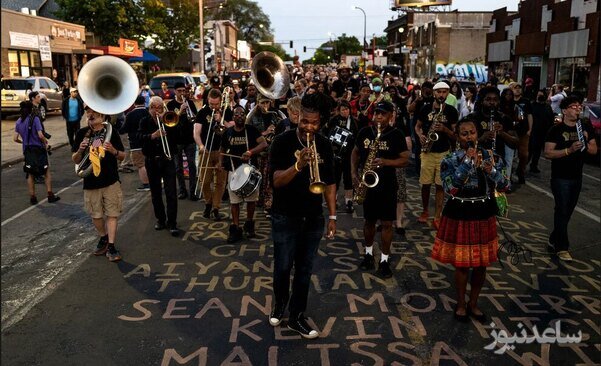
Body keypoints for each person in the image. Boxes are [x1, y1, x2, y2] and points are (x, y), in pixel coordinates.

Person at [268, 92, 336, 339]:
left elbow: (329, 183)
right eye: (304, 121)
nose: (309, 126)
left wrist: (333, 216)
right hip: (285, 216)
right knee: (283, 266)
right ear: (297, 118)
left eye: (314, 123)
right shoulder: (282, 142)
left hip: (312, 218)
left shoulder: (325, 145)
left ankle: (297, 316)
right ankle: (279, 303)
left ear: (321, 122)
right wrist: (298, 166)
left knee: (305, 270)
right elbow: (276, 181)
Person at [431, 117, 509, 322]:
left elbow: (505, 185)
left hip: (483, 212)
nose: (468, 137)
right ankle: (461, 303)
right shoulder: (449, 160)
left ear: (477, 134)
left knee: (482, 264)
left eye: (472, 132)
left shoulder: (491, 156)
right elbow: (451, 188)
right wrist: (467, 163)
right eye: (464, 134)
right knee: (462, 263)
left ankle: (474, 303)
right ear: (458, 137)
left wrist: (489, 170)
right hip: (460, 213)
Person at [351, 101, 410, 278]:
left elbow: (405, 159)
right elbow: (355, 152)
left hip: (388, 185)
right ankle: (368, 254)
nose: (378, 116)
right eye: (376, 113)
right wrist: (354, 173)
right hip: (368, 185)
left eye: (383, 114)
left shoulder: (396, 134)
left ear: (391, 115)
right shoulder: (364, 132)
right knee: (368, 221)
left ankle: (384, 259)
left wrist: (386, 162)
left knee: (386, 224)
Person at [544, 96, 598, 262]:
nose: (577, 109)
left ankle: (554, 238)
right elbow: (548, 153)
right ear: (565, 110)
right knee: (561, 209)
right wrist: (568, 150)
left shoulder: (585, 126)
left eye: (579, 106)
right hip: (560, 176)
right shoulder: (556, 129)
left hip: (577, 176)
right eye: (573, 106)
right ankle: (562, 247)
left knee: (567, 211)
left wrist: (587, 139)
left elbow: (594, 151)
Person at [72, 106, 125, 262]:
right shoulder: (82, 134)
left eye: (94, 112)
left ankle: (111, 245)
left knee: (112, 213)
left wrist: (113, 150)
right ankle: (103, 237)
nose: (91, 114)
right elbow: (75, 160)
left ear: (102, 115)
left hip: (110, 180)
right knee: (96, 215)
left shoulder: (111, 132)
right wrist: (80, 150)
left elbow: (122, 156)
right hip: (91, 181)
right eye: (88, 112)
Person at [220, 106, 268, 243]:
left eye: (242, 114)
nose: (239, 116)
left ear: (245, 116)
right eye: (236, 114)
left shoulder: (251, 130)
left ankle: (249, 224)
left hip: (250, 171)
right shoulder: (227, 132)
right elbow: (222, 149)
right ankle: (236, 227)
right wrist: (220, 163)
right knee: (234, 202)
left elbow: (264, 144)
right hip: (234, 171)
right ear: (233, 117)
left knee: (251, 200)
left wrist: (251, 152)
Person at [414, 82, 458, 228]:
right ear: (434, 93)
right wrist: (420, 136)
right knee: (425, 184)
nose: (441, 95)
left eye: (444, 92)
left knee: (440, 185)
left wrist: (445, 130)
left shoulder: (451, 111)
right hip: (427, 151)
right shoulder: (426, 108)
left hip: (444, 152)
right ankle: (425, 211)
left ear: (448, 94)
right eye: (439, 92)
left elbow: (455, 135)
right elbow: (417, 126)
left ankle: (437, 215)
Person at [138, 96, 180, 237]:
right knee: (156, 193)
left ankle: (172, 222)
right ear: (150, 108)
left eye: (161, 107)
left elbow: (176, 137)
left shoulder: (168, 120)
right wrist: (153, 136)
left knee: (171, 192)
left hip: (167, 159)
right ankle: (161, 219)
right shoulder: (144, 121)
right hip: (152, 160)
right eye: (155, 108)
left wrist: (167, 122)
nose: (158, 110)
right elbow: (138, 137)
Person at [194, 88, 233, 220]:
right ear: (208, 101)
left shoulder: (227, 110)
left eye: (216, 104)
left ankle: (216, 207)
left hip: (222, 151)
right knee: (204, 181)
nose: (214, 107)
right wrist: (200, 145)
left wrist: (221, 119)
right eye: (211, 104)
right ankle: (208, 203)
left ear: (221, 102)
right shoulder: (202, 112)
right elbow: (196, 132)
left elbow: (233, 128)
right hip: (206, 150)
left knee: (220, 183)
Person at [14, 101, 60, 205]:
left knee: (30, 173)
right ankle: (50, 195)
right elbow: (40, 135)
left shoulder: (19, 121)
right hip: (38, 149)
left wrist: (23, 142)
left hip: (27, 150)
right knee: (46, 171)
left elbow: (15, 138)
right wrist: (45, 143)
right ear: (31, 109)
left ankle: (33, 197)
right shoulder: (35, 119)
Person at [324, 99, 359, 213]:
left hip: (348, 155)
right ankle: (333, 199)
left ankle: (349, 201)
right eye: (343, 109)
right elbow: (328, 134)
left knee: (348, 179)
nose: (345, 111)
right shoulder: (334, 120)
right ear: (338, 111)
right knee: (336, 178)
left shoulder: (353, 121)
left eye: (347, 109)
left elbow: (356, 138)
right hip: (335, 154)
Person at [167, 82, 199, 201]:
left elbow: (195, 118)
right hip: (176, 139)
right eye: (179, 91)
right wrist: (180, 112)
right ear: (175, 91)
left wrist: (192, 114)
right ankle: (182, 190)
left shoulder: (190, 103)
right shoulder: (171, 104)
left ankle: (193, 191)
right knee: (178, 167)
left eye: (183, 91)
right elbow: (169, 121)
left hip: (190, 139)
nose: (182, 93)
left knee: (192, 165)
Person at [119, 96, 151, 191]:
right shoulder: (148, 112)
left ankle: (146, 185)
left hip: (136, 143)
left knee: (141, 165)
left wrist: (117, 127)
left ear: (134, 103)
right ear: (144, 102)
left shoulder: (130, 114)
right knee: (150, 164)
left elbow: (124, 129)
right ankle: (154, 182)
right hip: (149, 141)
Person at [509, 82, 533, 185]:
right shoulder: (508, 101)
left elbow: (530, 115)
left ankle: (520, 173)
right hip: (510, 132)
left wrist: (530, 130)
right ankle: (508, 175)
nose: (518, 90)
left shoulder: (526, 101)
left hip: (523, 132)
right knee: (509, 155)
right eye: (515, 88)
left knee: (523, 155)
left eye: (519, 88)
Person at [529, 89, 554, 173]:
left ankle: (534, 166)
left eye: (541, 95)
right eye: (538, 95)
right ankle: (522, 166)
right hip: (533, 131)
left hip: (543, 132)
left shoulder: (547, 107)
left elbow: (551, 119)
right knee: (530, 150)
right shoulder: (532, 105)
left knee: (537, 151)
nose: (540, 97)